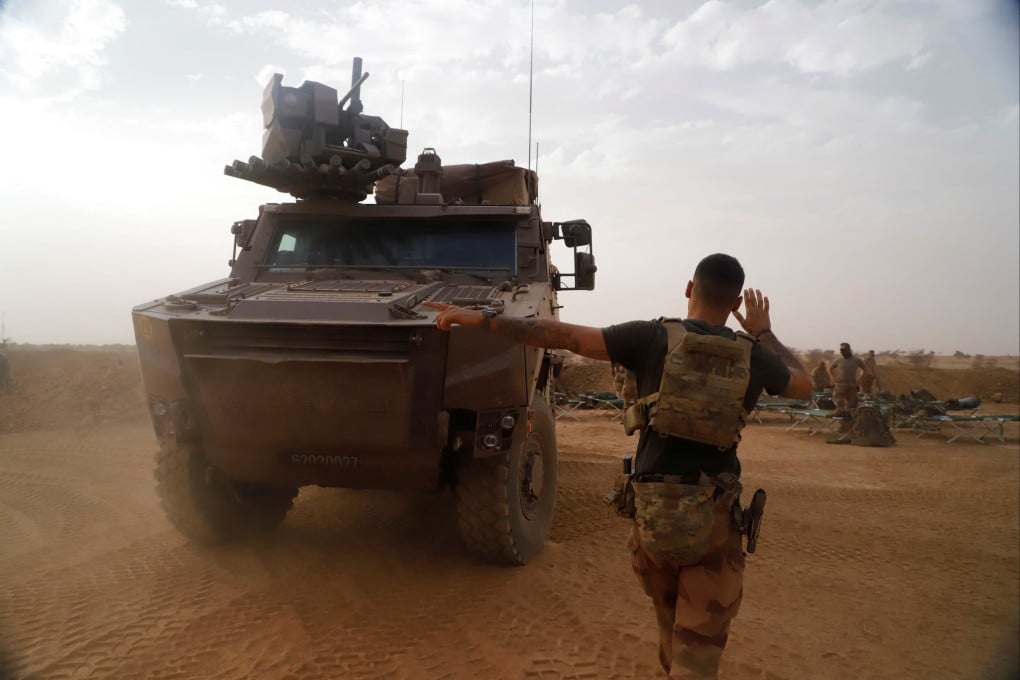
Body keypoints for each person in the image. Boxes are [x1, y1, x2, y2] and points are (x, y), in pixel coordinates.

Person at [427, 253, 812, 679]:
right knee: (698, 652)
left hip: (653, 520)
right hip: (713, 524)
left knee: (669, 631)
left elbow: (562, 335)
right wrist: (763, 332)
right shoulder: (755, 355)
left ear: (689, 289)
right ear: (736, 301)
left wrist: (480, 320)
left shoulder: (651, 337)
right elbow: (805, 385)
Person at [828, 343, 865, 410]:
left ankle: (849, 415)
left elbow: (865, 370)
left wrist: (859, 380)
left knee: (852, 401)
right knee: (839, 398)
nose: (842, 352)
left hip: (852, 383)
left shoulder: (857, 360)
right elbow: (830, 368)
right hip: (841, 383)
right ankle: (839, 410)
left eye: (844, 350)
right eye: (841, 350)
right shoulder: (839, 360)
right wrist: (834, 377)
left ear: (849, 350)